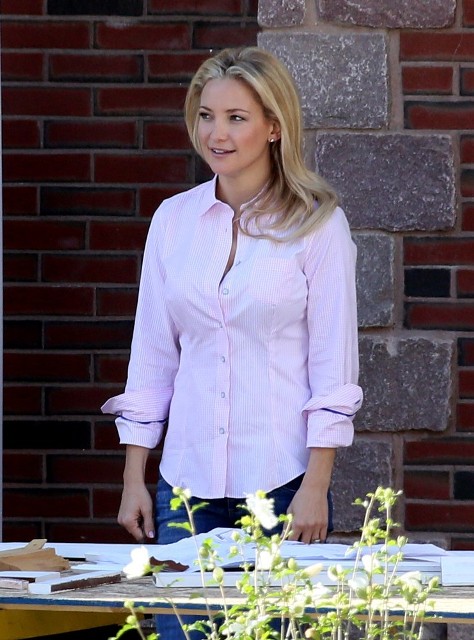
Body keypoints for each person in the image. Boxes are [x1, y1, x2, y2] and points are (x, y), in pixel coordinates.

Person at [101, 45, 362, 638]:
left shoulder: (317, 224)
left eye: (236, 118)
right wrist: (134, 477)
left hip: (281, 485)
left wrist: (316, 486)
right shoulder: (172, 221)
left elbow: (333, 368)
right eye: (206, 116)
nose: (216, 134)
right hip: (183, 490)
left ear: (274, 126)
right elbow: (152, 358)